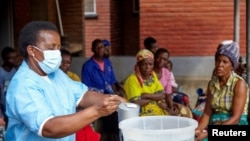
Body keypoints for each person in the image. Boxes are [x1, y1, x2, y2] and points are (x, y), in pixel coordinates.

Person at [4, 21, 126, 141]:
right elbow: (48, 128)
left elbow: (82, 95)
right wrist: (97, 110)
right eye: (51, 48)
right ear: (32, 50)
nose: (57, 53)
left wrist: (111, 100)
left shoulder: (56, 74)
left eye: (58, 48)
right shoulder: (23, 84)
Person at [195, 41, 249, 141]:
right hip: (216, 123)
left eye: (225, 62)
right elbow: (207, 112)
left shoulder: (239, 84)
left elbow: (236, 118)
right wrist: (198, 130)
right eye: (218, 61)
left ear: (232, 66)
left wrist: (207, 133)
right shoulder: (212, 83)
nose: (220, 64)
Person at [81, 39, 125, 141]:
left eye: (102, 47)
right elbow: (86, 87)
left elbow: (112, 81)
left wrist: (118, 93)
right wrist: (101, 93)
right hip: (96, 98)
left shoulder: (107, 63)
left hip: (109, 97)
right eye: (97, 47)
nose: (100, 49)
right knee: (110, 116)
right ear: (92, 49)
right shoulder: (88, 66)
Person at [59, 48, 101, 141]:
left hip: (74, 114)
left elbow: (81, 96)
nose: (65, 65)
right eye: (62, 61)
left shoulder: (73, 78)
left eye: (68, 62)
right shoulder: (49, 79)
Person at [123, 49, 167, 116]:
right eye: (144, 64)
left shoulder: (153, 75)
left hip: (157, 110)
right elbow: (136, 103)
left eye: (150, 64)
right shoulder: (132, 80)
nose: (147, 67)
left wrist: (146, 95)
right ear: (138, 65)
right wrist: (154, 97)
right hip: (142, 115)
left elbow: (162, 95)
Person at [153, 48, 193, 118]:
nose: (161, 61)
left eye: (164, 59)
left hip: (164, 101)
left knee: (186, 111)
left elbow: (168, 94)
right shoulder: (148, 72)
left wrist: (171, 107)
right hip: (152, 102)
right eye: (158, 58)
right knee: (167, 115)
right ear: (154, 58)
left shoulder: (166, 73)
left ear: (167, 61)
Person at [0, 46, 17, 127]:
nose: (13, 60)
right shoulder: (1, 73)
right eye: (11, 58)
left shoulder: (14, 71)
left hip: (12, 106)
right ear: (4, 59)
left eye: (15, 58)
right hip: (3, 107)